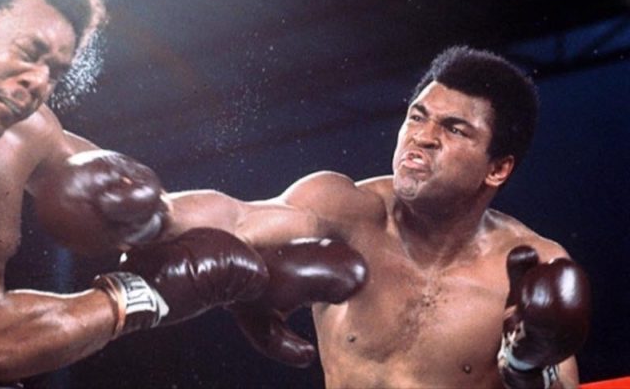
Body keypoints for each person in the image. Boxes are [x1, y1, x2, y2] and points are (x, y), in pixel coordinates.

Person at [0, 0, 291, 386]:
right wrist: (141, 295)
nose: (39, 83)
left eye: (55, 72)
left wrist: (277, 257)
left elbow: (159, 215)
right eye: (29, 53)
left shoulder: (25, 134)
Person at [158, 46, 591, 388]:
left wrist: (527, 366)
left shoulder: (533, 265)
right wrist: (153, 212)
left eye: (454, 129)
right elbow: (237, 217)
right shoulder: (344, 211)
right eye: (417, 117)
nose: (423, 137)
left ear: (497, 168)